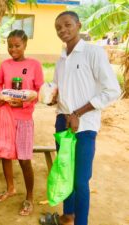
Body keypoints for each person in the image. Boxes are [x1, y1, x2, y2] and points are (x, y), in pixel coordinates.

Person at [39, 11, 121, 225]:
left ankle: (80, 222)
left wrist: (78, 113)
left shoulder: (93, 53)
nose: (63, 30)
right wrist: (51, 99)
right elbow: (59, 90)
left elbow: (112, 90)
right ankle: (68, 216)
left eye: (67, 25)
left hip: (84, 126)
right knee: (65, 172)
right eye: (58, 28)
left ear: (78, 24)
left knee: (81, 180)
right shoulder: (61, 59)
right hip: (63, 122)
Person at [0, 30, 44, 216]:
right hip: (6, 117)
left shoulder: (34, 65)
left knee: (24, 159)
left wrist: (23, 102)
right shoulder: (5, 65)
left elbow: (39, 91)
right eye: (10, 45)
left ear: (25, 45)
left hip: (24, 119)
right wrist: (2, 95)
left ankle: (29, 197)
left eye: (17, 45)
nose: (13, 49)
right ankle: (10, 188)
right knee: (5, 155)